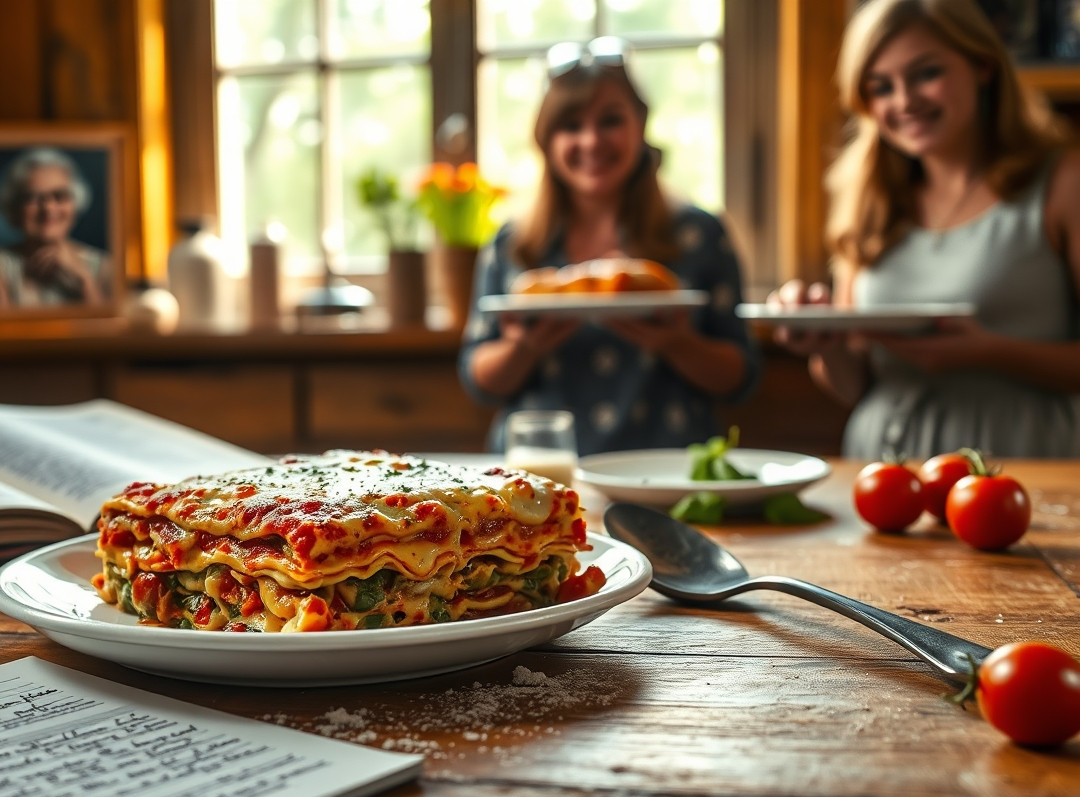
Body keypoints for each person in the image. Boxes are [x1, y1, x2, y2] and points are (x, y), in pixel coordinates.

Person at [773, 0, 1080, 459]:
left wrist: (986, 351)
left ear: (983, 65)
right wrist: (824, 344)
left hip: (1022, 463)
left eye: (925, 74)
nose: (904, 102)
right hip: (884, 472)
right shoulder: (867, 200)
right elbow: (855, 384)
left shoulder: (1063, 183)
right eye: (881, 87)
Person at [459, 37, 760, 455]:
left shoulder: (698, 233)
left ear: (640, 125)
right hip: (538, 475)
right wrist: (523, 347)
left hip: (668, 467)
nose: (592, 141)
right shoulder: (511, 244)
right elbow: (478, 379)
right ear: (546, 140)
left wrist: (675, 342)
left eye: (611, 121)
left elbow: (741, 377)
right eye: (571, 126)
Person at [0, 147, 115, 309]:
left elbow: (108, 331)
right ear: (14, 207)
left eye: (60, 196)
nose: (48, 208)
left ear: (76, 203)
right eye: (33, 197)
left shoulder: (103, 265)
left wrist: (84, 281)